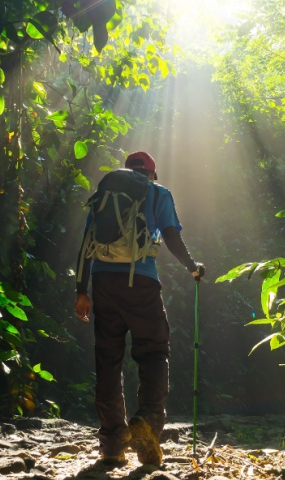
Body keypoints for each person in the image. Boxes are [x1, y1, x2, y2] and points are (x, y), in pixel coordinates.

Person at [74, 151, 205, 465]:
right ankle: (146, 423)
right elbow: (171, 235)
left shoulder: (103, 197)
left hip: (103, 284)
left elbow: (85, 245)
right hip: (141, 283)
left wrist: (81, 290)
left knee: (108, 360)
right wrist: (192, 266)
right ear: (151, 174)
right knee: (153, 351)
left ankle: (112, 444)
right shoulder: (158, 193)